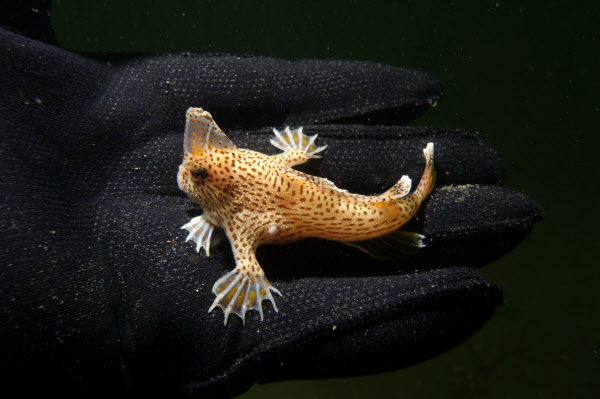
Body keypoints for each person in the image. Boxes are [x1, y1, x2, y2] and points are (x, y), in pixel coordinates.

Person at [0, 21, 541, 398]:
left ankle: (414, 192)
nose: (187, 171)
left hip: (364, 215)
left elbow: (249, 258)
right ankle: (414, 189)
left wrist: (245, 276)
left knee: (376, 216)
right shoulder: (254, 170)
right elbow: (285, 165)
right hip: (308, 193)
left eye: (203, 169)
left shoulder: (246, 208)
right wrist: (290, 156)